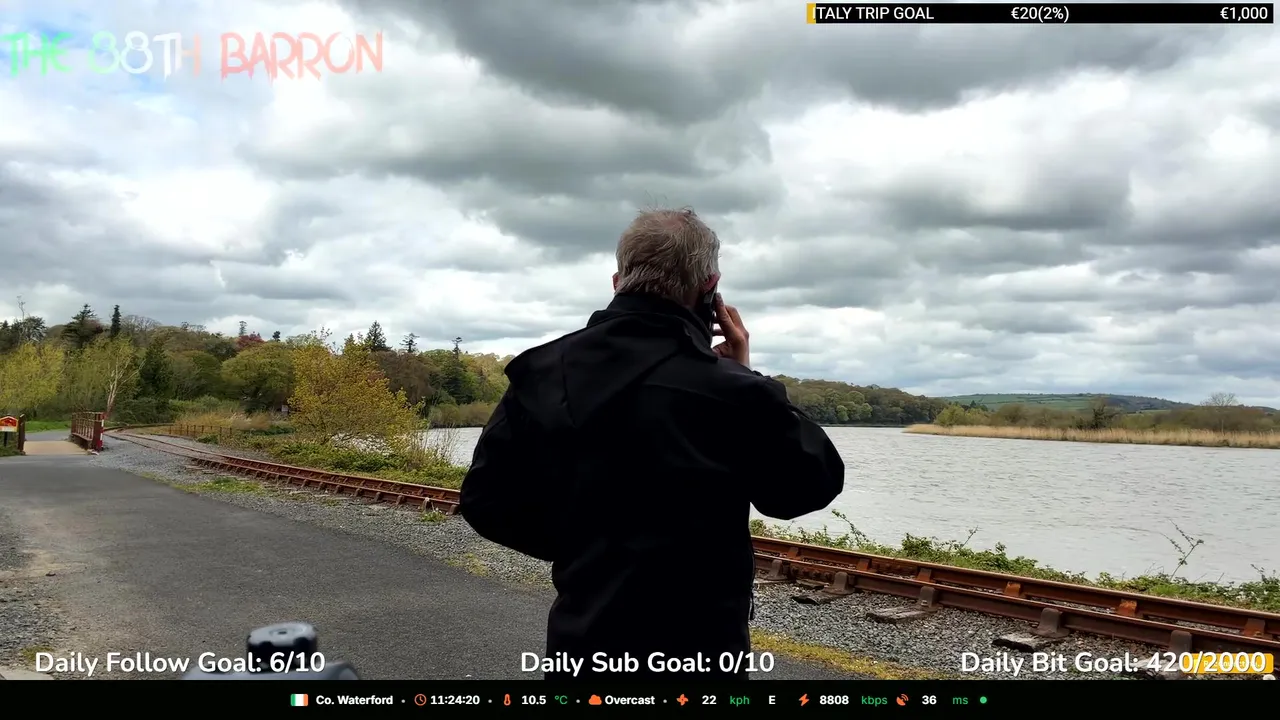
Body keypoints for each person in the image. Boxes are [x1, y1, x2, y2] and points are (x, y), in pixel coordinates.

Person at [459, 208, 845, 681]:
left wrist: (583, 551)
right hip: (702, 650)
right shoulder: (734, 391)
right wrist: (747, 376)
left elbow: (486, 501)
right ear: (711, 288)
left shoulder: (542, 373)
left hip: (584, 644)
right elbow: (807, 487)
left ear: (618, 281)